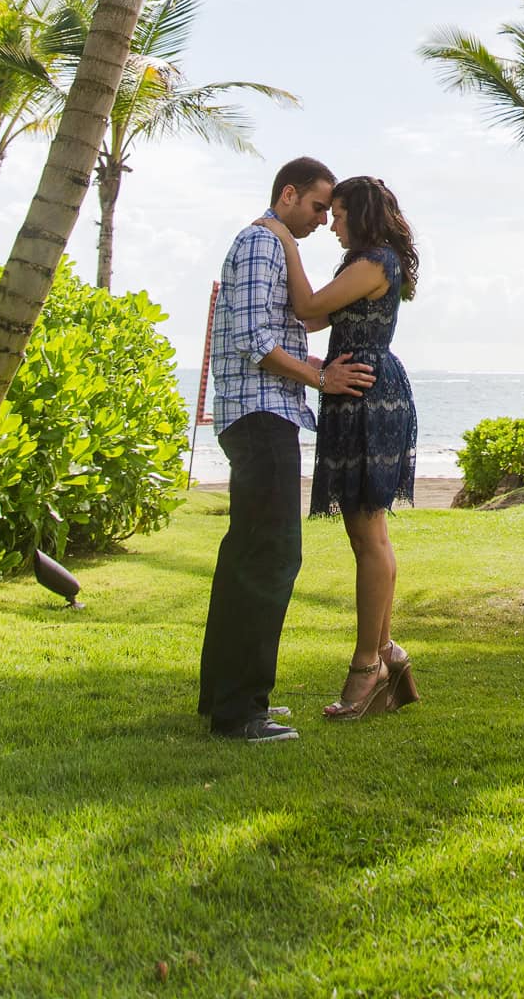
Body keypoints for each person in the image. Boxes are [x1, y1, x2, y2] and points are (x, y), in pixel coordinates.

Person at [198, 156, 375, 744]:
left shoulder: (273, 245)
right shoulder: (260, 244)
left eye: (332, 211)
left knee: (248, 555)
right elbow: (255, 341)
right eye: (319, 206)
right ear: (289, 193)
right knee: (270, 558)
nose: (325, 219)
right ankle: (242, 712)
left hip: (264, 414)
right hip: (259, 416)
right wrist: (319, 379)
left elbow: (291, 320)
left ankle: (228, 700)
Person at [260, 174, 419, 721]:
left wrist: (282, 236)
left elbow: (305, 306)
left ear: (361, 213)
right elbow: (313, 314)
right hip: (356, 391)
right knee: (368, 530)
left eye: (340, 212)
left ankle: (368, 663)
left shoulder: (372, 263)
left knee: (367, 531)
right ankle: (387, 654)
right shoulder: (363, 263)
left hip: (367, 394)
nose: (331, 223)